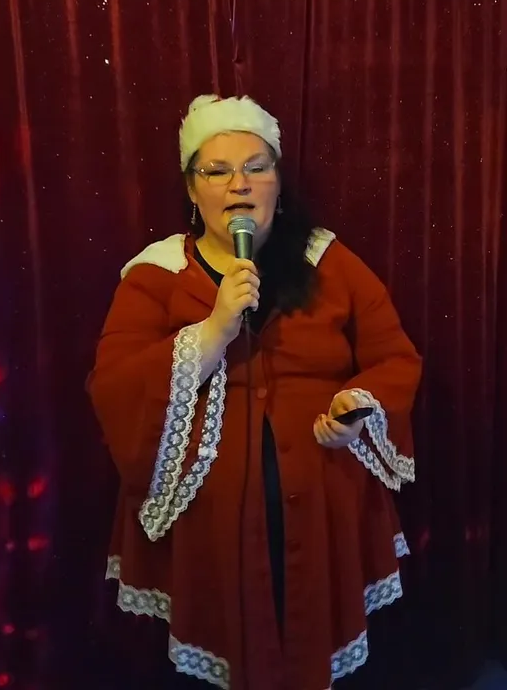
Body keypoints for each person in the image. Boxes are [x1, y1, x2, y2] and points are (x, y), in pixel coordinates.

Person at [88, 94, 422, 689]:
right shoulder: (156, 274)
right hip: (210, 523)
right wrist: (215, 329)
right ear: (192, 191)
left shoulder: (329, 260)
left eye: (255, 167)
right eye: (217, 171)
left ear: (277, 183)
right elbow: (114, 385)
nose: (238, 184)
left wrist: (357, 407)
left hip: (321, 506)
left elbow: (393, 357)